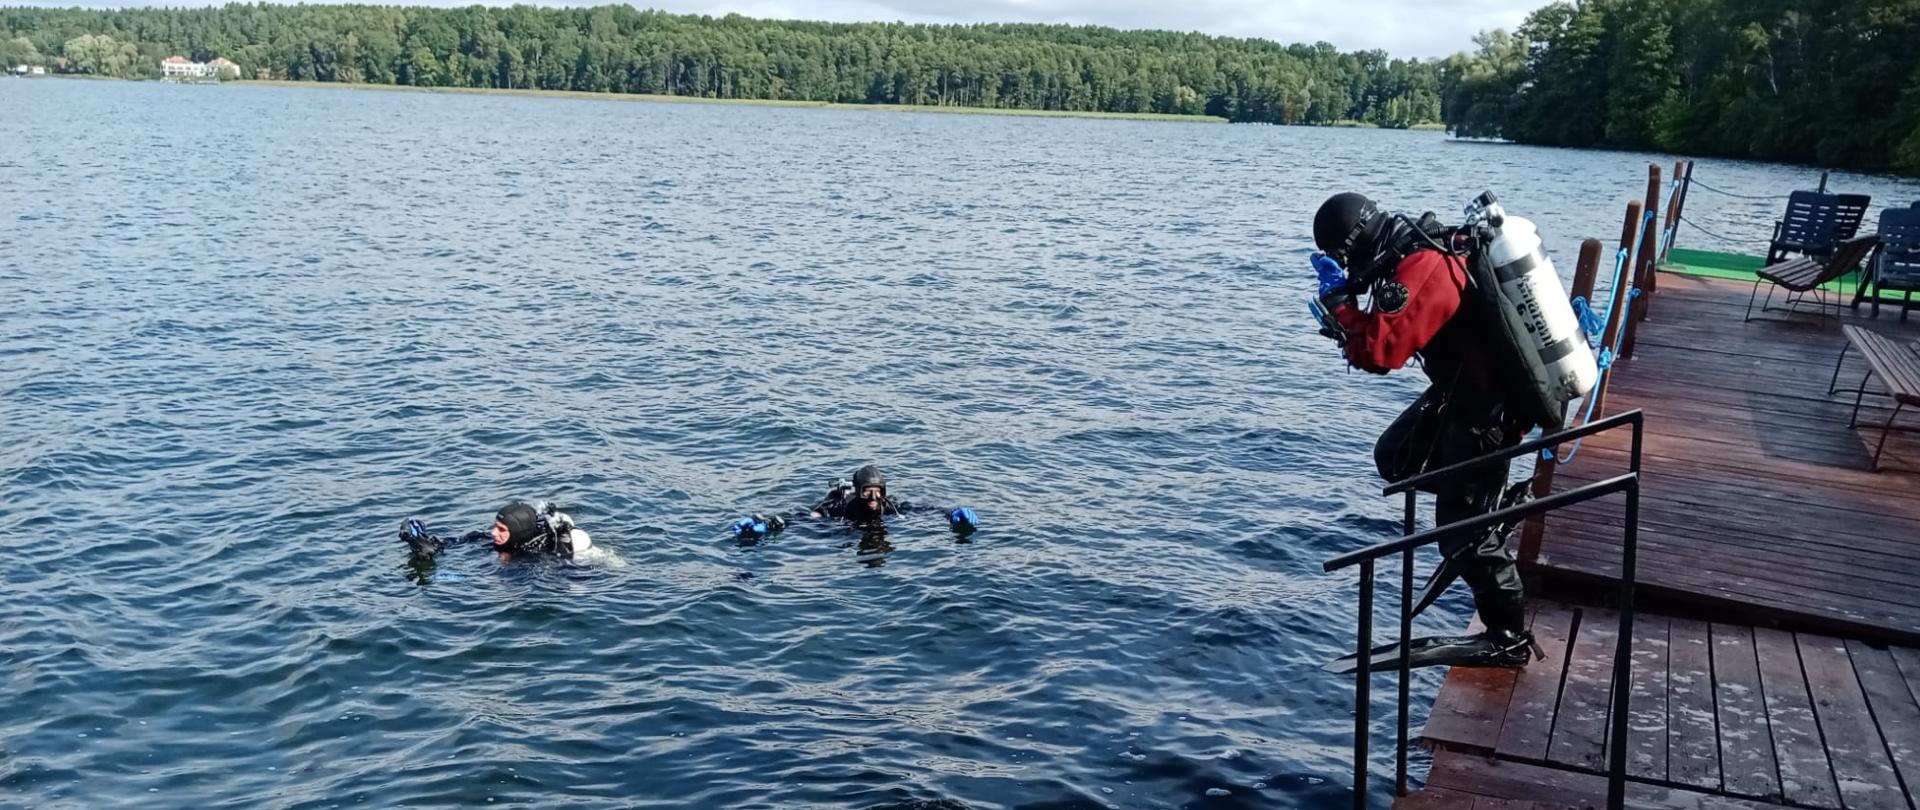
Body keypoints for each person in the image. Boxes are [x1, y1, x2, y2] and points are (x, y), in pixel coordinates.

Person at [1310, 191, 1540, 670]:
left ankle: (1508, 637)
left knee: (1461, 533)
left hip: (1488, 411)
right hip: (1464, 392)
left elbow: (1381, 351)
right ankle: (1483, 503)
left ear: (1352, 244)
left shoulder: (1424, 265)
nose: (1345, 267)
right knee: (1395, 455)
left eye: (1340, 257)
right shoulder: (1406, 255)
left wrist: (1340, 306)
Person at [731, 464, 979, 538]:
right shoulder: (842, 506)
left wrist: (952, 512)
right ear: (858, 492)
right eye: (866, 493)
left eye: (877, 492)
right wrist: (774, 524)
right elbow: (808, 518)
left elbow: (925, 509)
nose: (873, 499)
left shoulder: (889, 506)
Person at [399, 501, 593, 563]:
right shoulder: (493, 539)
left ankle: (438, 576)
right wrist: (432, 544)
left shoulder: (533, 559)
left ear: (517, 532)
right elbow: (460, 542)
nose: (493, 533)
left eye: (501, 530)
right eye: (495, 527)